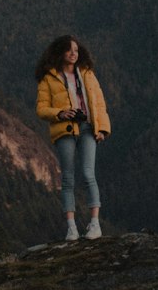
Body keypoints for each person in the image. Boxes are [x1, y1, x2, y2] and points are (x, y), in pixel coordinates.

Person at [35, 34, 111, 241]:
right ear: (60, 53)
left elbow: (99, 102)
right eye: (69, 50)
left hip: (87, 127)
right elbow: (41, 109)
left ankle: (95, 225)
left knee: (88, 174)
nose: (73, 54)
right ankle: (72, 228)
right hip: (64, 129)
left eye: (76, 50)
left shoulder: (87, 74)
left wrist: (102, 128)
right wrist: (59, 113)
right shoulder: (48, 78)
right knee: (68, 178)